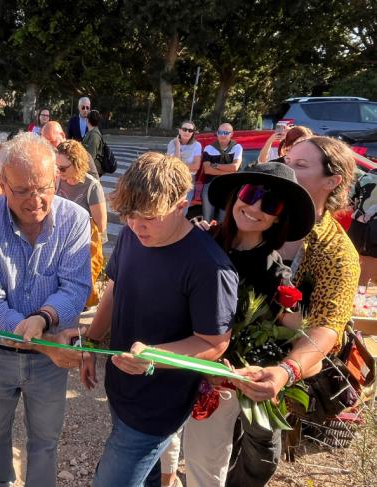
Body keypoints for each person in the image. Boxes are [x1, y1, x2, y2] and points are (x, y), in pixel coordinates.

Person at [81, 152, 238, 486]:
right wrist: (91, 342)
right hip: (121, 387)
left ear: (182, 205)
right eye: (129, 214)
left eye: (149, 217)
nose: (136, 225)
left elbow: (215, 343)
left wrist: (155, 355)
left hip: (157, 405)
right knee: (150, 477)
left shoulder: (209, 266)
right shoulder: (130, 236)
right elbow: (115, 287)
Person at [173, 162, 315, 487]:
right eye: (250, 194)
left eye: (270, 204)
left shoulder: (276, 275)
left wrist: (290, 305)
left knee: (206, 461)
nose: (253, 208)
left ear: (279, 217)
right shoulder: (201, 237)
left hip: (222, 382)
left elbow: (289, 335)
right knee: (164, 442)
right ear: (236, 194)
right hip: (174, 360)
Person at [0, 132, 91, 487]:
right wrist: (41, 338)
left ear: (57, 179)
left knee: (46, 442)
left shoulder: (75, 220)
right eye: (22, 191)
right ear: (2, 182)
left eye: (45, 187)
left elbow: (77, 287)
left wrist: (43, 318)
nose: (36, 201)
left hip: (49, 360)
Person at [231, 136, 360, 486]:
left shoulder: (337, 251)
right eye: (287, 158)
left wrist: (285, 371)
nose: (288, 167)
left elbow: (327, 328)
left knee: (260, 449)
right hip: (221, 355)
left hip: (276, 369)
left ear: (331, 182)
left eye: (301, 165)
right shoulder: (257, 211)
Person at [55, 140, 107, 306]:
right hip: (62, 242)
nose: (59, 171)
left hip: (84, 246)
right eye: (57, 167)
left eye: (63, 168)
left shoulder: (91, 186)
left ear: (77, 163)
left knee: (82, 292)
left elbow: (101, 225)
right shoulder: (58, 181)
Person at [201, 123, 243, 221]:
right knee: (207, 219)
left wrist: (215, 165)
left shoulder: (237, 147)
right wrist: (227, 172)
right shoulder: (209, 148)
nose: (222, 135)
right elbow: (207, 170)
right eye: (220, 132)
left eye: (226, 132)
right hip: (210, 186)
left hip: (228, 187)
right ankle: (207, 236)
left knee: (223, 220)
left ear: (231, 134)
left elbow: (234, 167)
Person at [348, 169, 377, 282]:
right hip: (374, 229)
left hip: (358, 226)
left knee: (350, 256)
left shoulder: (365, 177)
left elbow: (351, 198)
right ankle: (362, 290)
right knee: (371, 264)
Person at [167, 120, 202, 212]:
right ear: (179, 130)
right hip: (172, 179)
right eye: (184, 129)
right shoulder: (172, 143)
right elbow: (172, 163)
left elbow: (196, 166)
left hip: (188, 180)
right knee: (169, 210)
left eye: (190, 130)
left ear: (193, 133)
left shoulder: (197, 145)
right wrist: (178, 146)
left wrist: (178, 166)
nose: (187, 132)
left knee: (182, 211)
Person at [82, 110, 105, 176]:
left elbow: (91, 156)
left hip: (93, 169)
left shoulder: (94, 135)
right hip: (90, 168)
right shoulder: (91, 132)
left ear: (87, 120)